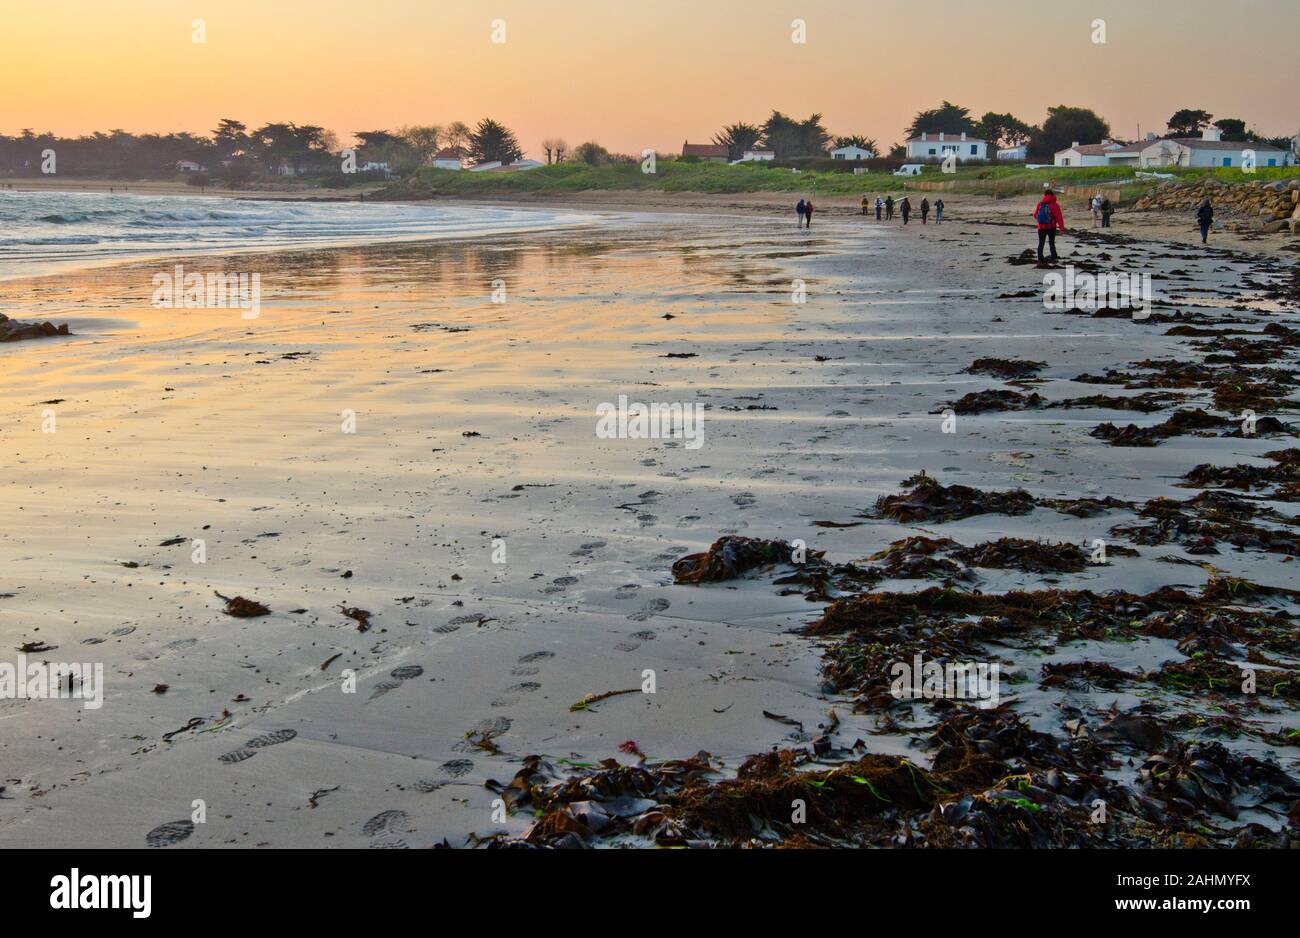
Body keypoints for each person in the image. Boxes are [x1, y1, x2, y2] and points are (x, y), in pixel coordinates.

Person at [1033, 184, 1066, 266]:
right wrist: (1062, 229)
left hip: (1041, 227)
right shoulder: (1055, 205)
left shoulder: (1040, 204)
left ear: (1045, 195)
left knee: (1041, 243)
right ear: (1052, 195)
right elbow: (1059, 218)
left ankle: (1040, 259)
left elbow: (1035, 215)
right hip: (1051, 227)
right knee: (1051, 242)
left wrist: (1041, 221)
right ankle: (1054, 257)